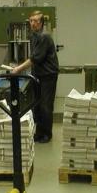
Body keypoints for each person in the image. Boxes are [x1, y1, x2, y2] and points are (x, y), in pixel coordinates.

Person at [11, 11, 59, 143]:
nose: (33, 23)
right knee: (36, 105)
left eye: (36, 21)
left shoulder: (44, 37)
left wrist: (18, 69)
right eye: (31, 21)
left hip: (48, 76)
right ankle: (39, 132)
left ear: (42, 23)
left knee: (45, 105)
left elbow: (34, 58)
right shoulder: (34, 36)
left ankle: (47, 134)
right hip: (38, 75)